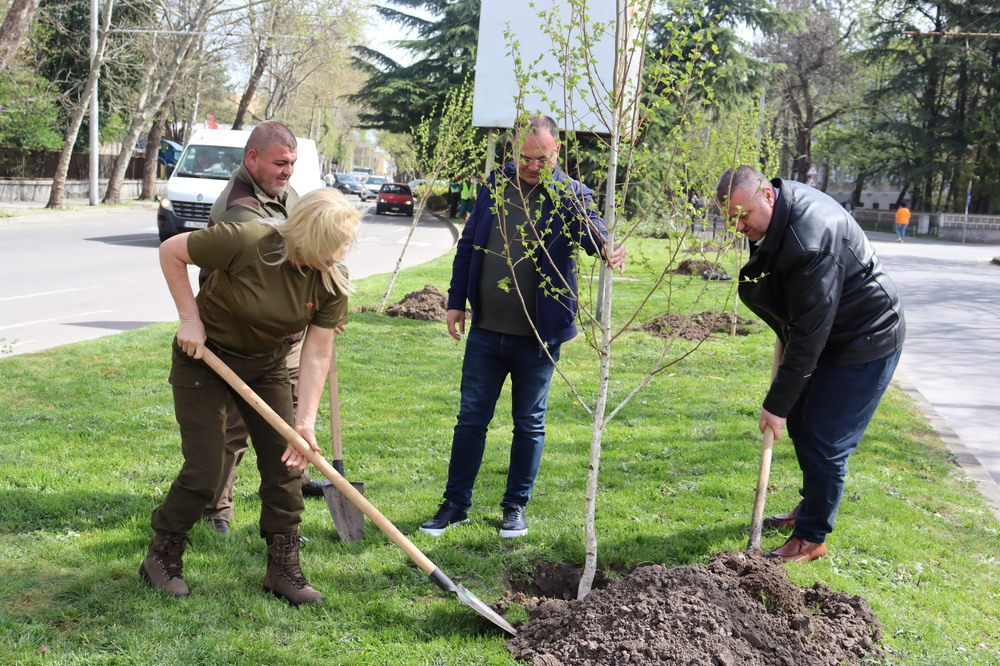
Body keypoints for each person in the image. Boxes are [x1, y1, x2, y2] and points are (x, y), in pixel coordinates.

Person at [142, 187, 359, 604]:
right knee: (206, 469)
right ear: (304, 236)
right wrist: (189, 319)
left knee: (287, 464)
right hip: (204, 358)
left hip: (266, 366)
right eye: (328, 249)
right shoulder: (248, 240)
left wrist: (305, 422)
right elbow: (171, 250)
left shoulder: (331, 278)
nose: (337, 258)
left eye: (341, 248)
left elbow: (316, 353)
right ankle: (162, 553)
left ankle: (283, 568)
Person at [419, 114, 627, 538]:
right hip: (486, 331)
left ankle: (515, 506)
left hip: (538, 337)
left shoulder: (570, 194)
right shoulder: (496, 184)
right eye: (525, 157)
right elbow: (469, 245)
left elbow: (592, 236)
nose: (532, 166)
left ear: (558, 152)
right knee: (470, 419)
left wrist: (607, 248)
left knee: (529, 422)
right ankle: (455, 504)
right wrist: (456, 301)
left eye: (542, 158)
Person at [716, 165, 905, 563]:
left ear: (767, 195)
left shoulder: (811, 240)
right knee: (803, 422)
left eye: (742, 216)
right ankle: (812, 504)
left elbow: (810, 335)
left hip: (865, 337)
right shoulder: (778, 212)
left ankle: (812, 537)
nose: (738, 228)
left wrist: (776, 405)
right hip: (828, 332)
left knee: (825, 439)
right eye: (731, 219)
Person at [201, 121, 330, 536]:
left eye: (292, 163)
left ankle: (289, 488)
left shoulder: (278, 190)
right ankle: (216, 508)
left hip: (283, 334)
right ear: (251, 158)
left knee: (289, 414)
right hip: (245, 334)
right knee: (237, 425)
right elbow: (274, 276)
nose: (287, 172)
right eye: (280, 163)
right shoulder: (242, 212)